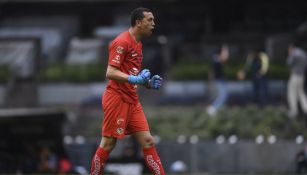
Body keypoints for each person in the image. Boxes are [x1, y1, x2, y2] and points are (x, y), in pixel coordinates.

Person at [90, 7, 165, 175]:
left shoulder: (138, 44)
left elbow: (129, 72)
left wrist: (147, 83)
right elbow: (110, 72)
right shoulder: (121, 41)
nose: (154, 24)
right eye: (150, 20)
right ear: (138, 22)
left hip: (132, 98)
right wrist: (134, 79)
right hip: (116, 98)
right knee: (108, 144)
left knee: (148, 141)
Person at [206, 45, 229, 116]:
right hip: (218, 81)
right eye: (224, 52)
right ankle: (212, 108)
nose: (226, 54)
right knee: (223, 96)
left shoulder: (216, 59)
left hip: (219, 80)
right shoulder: (216, 59)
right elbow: (211, 71)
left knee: (222, 95)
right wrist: (210, 82)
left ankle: (215, 109)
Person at [287, 43, 307, 119]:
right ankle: (306, 109)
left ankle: (293, 111)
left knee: (291, 92)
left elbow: (289, 63)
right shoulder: (303, 54)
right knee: (301, 93)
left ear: (291, 48)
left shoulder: (294, 54)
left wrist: (289, 55)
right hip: (302, 75)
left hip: (295, 75)